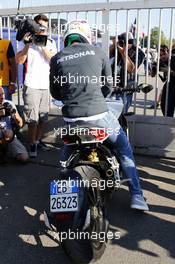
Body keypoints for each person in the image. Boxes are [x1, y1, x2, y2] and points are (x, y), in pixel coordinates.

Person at [50, 20, 149, 211]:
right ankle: (137, 195)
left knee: (66, 155)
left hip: (71, 119)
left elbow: (56, 93)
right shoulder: (99, 53)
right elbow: (108, 87)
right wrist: (96, 98)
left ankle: (63, 185)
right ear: (86, 36)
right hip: (98, 115)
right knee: (123, 149)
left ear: (67, 38)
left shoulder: (57, 58)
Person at [16, 14, 57, 158]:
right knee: (32, 120)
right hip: (31, 84)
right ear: (34, 26)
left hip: (45, 85)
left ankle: (38, 141)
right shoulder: (25, 40)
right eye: (39, 26)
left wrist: (42, 44)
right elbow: (20, 60)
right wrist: (28, 44)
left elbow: (53, 60)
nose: (42, 30)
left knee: (43, 117)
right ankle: (32, 143)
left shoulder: (50, 42)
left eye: (44, 28)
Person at [109, 32, 145, 113]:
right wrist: (114, 45)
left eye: (128, 41)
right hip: (113, 88)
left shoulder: (138, 52)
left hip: (126, 90)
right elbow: (105, 55)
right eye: (123, 41)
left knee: (121, 115)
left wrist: (123, 53)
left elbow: (131, 69)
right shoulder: (117, 48)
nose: (126, 44)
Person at [0, 86, 28, 164]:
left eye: (3, 94)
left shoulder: (9, 103)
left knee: (24, 158)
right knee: (7, 133)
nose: (2, 97)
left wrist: (14, 115)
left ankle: (6, 151)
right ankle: (2, 153)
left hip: (10, 137)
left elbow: (21, 124)